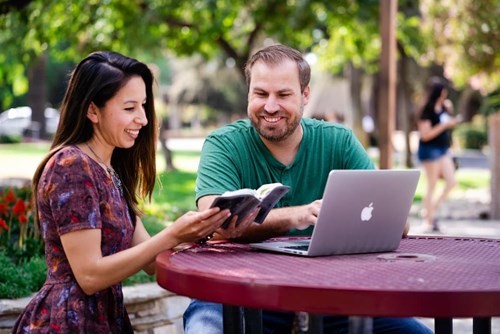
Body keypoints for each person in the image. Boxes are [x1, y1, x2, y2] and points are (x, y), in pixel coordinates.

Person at [183, 44, 432, 333]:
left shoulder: (338, 141)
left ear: (305, 95)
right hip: (237, 296)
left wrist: (390, 219)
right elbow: (216, 220)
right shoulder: (223, 144)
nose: (271, 106)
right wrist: (297, 216)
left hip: (330, 296)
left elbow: (395, 222)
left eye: (284, 94)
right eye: (260, 94)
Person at [11, 51, 230, 334]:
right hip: (66, 322)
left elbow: (151, 260)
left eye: (143, 106)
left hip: (105, 320)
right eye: (130, 108)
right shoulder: (71, 166)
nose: (143, 119)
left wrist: (208, 231)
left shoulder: (108, 170)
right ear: (93, 111)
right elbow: (89, 275)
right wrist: (173, 233)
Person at [417, 78, 461, 233]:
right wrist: (444, 125)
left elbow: (448, 126)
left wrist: (451, 119)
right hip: (430, 151)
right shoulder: (427, 111)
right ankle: (428, 220)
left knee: (451, 182)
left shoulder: (444, 108)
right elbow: (425, 135)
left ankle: (429, 210)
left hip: (443, 150)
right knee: (432, 185)